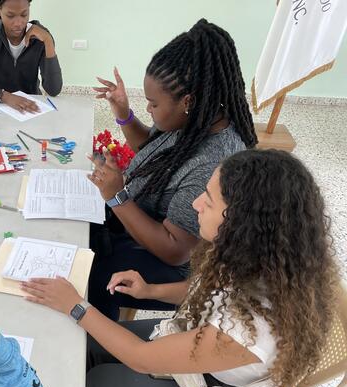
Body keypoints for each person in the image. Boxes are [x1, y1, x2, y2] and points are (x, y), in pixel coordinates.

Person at [22, 149, 338, 387]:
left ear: (245, 221)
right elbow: (206, 291)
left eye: (210, 201)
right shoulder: (257, 256)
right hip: (217, 364)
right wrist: (151, 291)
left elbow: (140, 358)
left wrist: (75, 305)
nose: (196, 203)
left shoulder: (252, 327)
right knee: (88, 348)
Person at [88, 18, 257, 319]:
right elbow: (153, 151)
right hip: (141, 221)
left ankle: (99, 354)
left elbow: (174, 249)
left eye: (153, 104)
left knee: (93, 277)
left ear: (188, 101)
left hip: (174, 267)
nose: (149, 111)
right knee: (80, 232)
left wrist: (117, 197)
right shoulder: (194, 118)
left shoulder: (211, 162)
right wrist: (123, 114)